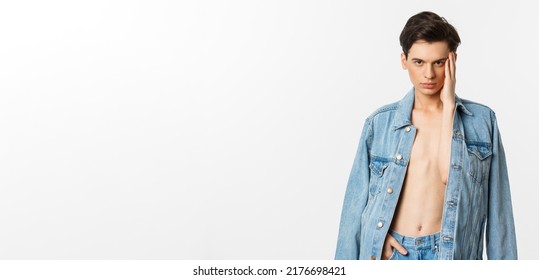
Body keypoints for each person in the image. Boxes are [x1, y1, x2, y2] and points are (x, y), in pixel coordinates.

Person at [335, 11, 517, 260]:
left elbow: (498, 215)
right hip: (393, 254)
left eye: (439, 62)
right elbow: (354, 210)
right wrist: (376, 239)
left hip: (450, 255)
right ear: (404, 60)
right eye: (419, 62)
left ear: (453, 60)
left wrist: (449, 106)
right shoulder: (379, 124)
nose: (429, 74)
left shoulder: (482, 122)